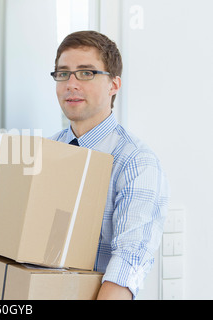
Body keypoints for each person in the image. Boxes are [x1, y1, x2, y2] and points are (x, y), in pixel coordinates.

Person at [49, 31, 169, 299]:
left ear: (114, 85)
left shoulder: (137, 162)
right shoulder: (48, 151)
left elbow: (129, 260)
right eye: (63, 73)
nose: (71, 83)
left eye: (86, 73)